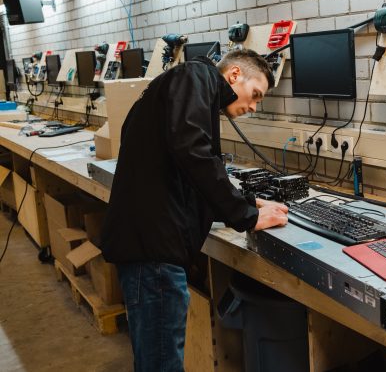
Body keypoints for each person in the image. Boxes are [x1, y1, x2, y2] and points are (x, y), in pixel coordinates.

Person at [101, 49, 288, 371]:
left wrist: (245, 201)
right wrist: (247, 217)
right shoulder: (195, 76)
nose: (253, 107)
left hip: (148, 246)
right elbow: (194, 153)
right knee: (161, 361)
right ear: (233, 76)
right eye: (255, 95)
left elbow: (185, 173)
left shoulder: (183, 87)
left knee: (153, 356)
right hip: (154, 253)